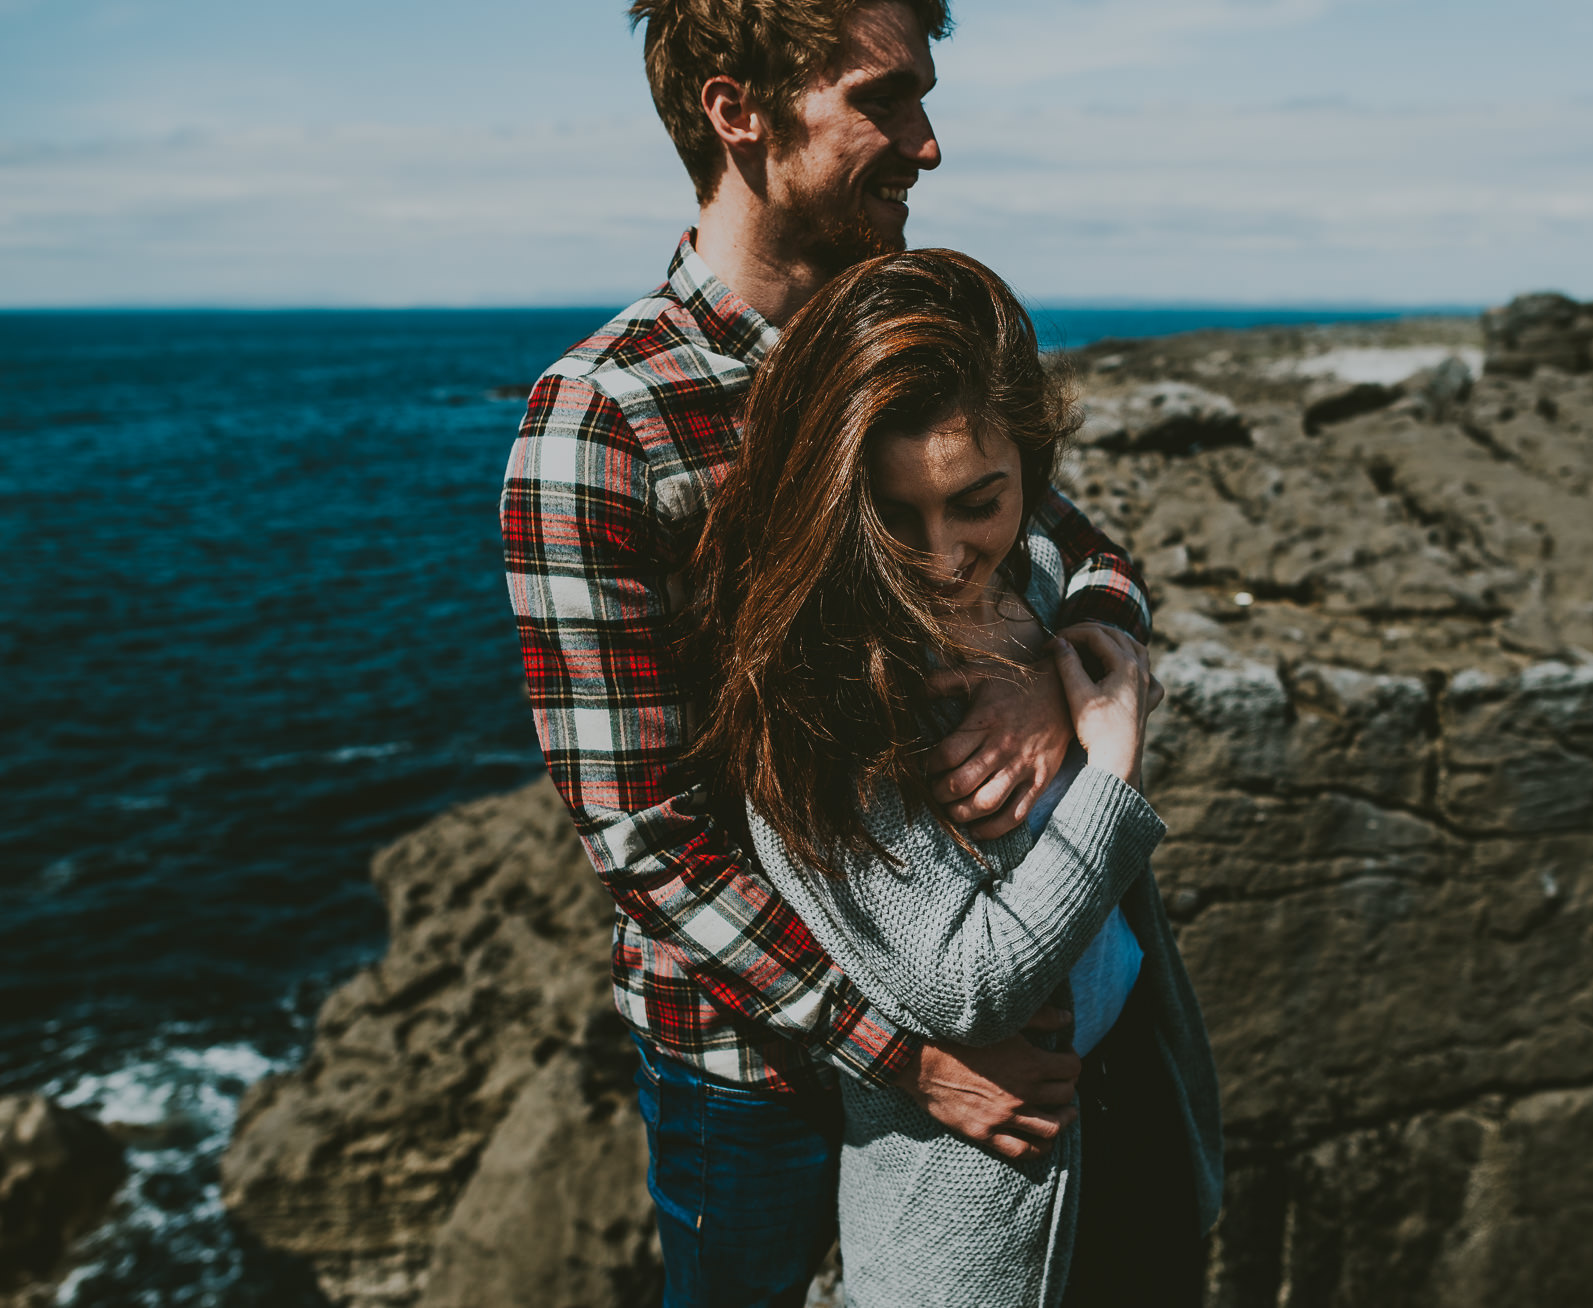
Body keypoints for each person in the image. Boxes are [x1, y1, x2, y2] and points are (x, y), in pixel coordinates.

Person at [499, 1, 1158, 1302]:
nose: (927, 143)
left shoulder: (906, 337)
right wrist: (904, 1057)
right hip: (765, 1076)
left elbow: (1092, 551)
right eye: (885, 98)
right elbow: (641, 830)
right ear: (736, 112)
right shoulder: (608, 422)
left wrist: (1070, 662)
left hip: (1020, 980)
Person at [689, 249, 1223, 1306]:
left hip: (1136, 1131)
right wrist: (1111, 761)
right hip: (981, 1218)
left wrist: (1066, 649)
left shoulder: (1030, 578)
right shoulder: (814, 688)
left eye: (978, 500)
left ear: (1030, 463)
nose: (943, 556)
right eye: (894, 516)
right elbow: (963, 984)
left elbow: (1104, 577)